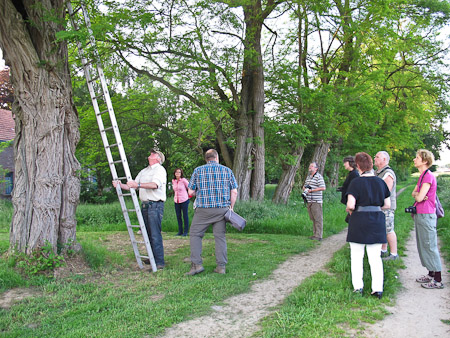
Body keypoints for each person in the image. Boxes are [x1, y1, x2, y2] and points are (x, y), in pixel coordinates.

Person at [186, 149, 238, 276]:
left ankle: (196, 265)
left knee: (195, 234)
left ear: (206, 159)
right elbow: (234, 191)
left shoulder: (198, 170)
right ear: (217, 158)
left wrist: (197, 192)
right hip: (222, 210)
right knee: (220, 237)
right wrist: (231, 207)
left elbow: (190, 192)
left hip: (203, 210)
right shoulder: (227, 171)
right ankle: (221, 267)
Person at [346, 152, 390, 299]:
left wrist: (350, 209)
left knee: (357, 256)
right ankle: (377, 289)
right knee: (375, 257)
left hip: (359, 220)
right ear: (371, 165)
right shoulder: (380, 182)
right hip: (376, 221)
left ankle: (358, 287)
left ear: (358, 166)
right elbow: (387, 204)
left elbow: (351, 205)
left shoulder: (355, 183)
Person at [113, 149, 167, 270]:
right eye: (151, 153)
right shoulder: (144, 171)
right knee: (147, 234)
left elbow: (155, 185)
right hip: (145, 205)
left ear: (158, 158)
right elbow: (132, 185)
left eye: (154, 154)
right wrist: (120, 185)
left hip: (155, 205)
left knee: (155, 234)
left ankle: (159, 262)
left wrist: (137, 185)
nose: (151, 154)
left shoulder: (160, 170)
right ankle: (152, 256)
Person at [412, 149, 444, 289]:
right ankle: (430, 274)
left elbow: (418, 197)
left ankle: (438, 280)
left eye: (417, 157)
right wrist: (418, 194)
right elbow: (416, 194)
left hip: (426, 215)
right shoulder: (422, 176)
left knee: (430, 246)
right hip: (421, 214)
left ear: (425, 161)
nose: (414, 159)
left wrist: (418, 195)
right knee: (423, 245)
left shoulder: (428, 176)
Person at [374, 151, 399, 261]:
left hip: (386, 207)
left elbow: (385, 191)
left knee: (388, 229)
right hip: (379, 206)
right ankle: (383, 250)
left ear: (384, 160)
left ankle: (394, 254)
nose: (375, 158)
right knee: (381, 229)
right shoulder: (377, 172)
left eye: (377, 157)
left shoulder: (388, 173)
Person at [303, 162, 326, 241]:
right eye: (310, 166)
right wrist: (305, 189)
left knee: (318, 218)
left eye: (312, 166)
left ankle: (319, 235)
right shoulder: (309, 177)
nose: (310, 167)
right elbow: (305, 185)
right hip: (309, 200)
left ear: (316, 168)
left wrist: (312, 190)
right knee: (312, 218)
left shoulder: (319, 177)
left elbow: (323, 188)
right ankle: (315, 234)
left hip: (316, 201)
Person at [172, 168, 190, 236]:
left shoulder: (183, 180)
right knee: (178, 216)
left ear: (181, 173)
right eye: (176, 172)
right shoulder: (173, 181)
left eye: (179, 172)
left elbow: (189, 188)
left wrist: (189, 196)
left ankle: (185, 231)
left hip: (184, 200)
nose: (177, 174)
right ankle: (180, 231)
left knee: (185, 216)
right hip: (176, 200)